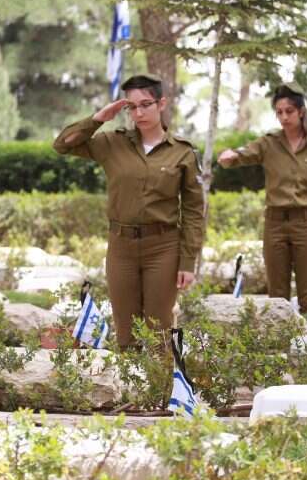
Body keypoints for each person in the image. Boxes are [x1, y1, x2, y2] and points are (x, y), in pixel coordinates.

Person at [53, 74, 204, 349]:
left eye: (146, 104)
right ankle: (128, 391)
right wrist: (98, 119)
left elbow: (194, 211)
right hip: (121, 247)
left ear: (162, 104)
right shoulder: (113, 143)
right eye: (132, 107)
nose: (139, 112)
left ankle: (159, 390)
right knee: (125, 332)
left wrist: (187, 262)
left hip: (163, 248)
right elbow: (64, 144)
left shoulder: (183, 153)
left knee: (159, 331)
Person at [216, 82, 307, 312]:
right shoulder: (269, 143)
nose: (284, 117)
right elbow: (247, 153)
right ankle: (279, 342)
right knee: (277, 296)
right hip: (275, 223)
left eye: (289, 111)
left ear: (301, 111)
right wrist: (232, 156)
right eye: (279, 112)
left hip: (306, 223)